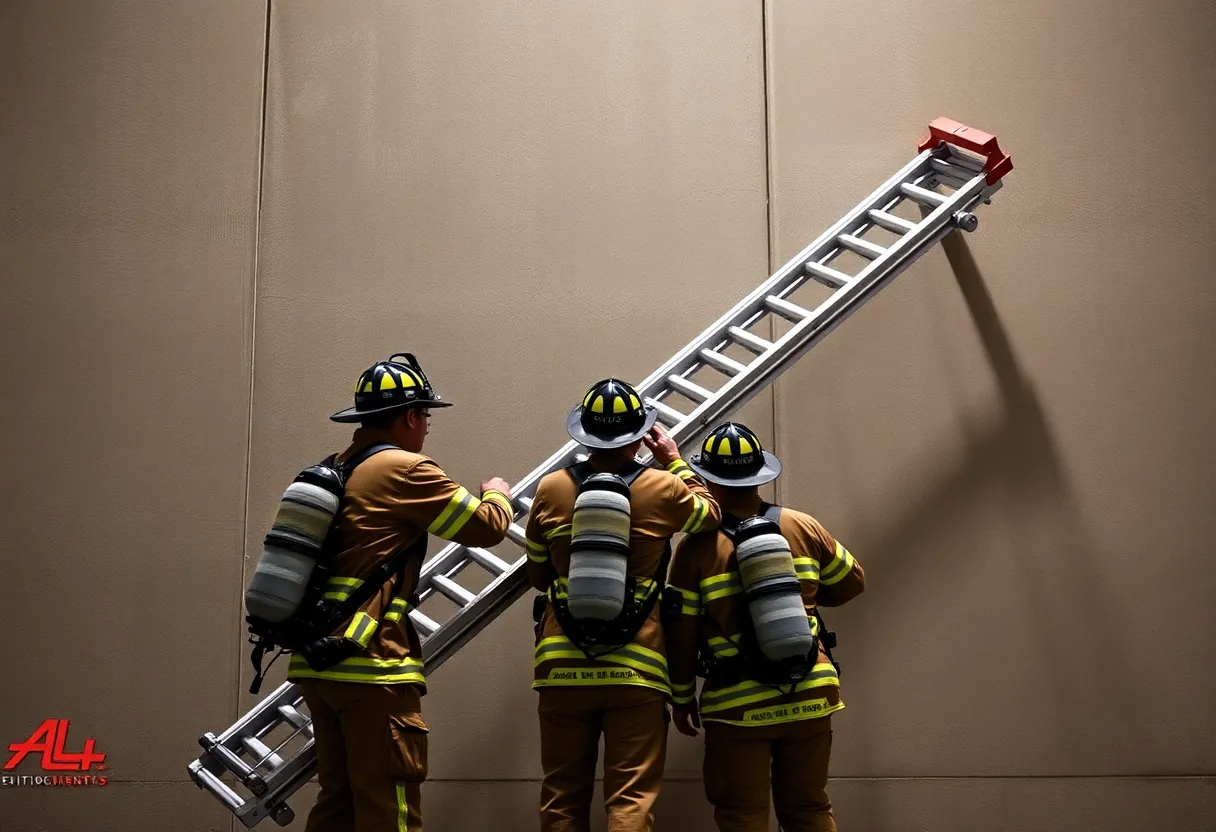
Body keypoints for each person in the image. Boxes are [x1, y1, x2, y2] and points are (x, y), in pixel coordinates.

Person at [289, 352, 514, 832]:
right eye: (426, 417)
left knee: (338, 802)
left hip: (316, 664)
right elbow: (485, 528)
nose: (427, 429)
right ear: (411, 417)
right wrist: (497, 492)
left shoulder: (335, 467)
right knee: (388, 807)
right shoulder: (406, 470)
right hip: (372, 667)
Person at [523, 378, 721, 832]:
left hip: (561, 666)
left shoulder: (550, 490)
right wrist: (674, 462)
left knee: (561, 797)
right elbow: (709, 514)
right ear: (638, 435)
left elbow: (538, 576)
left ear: (585, 434)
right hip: (638, 668)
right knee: (630, 799)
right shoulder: (662, 489)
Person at [665, 421, 865, 832]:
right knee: (809, 808)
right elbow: (852, 582)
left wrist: (682, 698)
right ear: (760, 475)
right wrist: (806, 598)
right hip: (811, 693)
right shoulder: (803, 525)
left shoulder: (694, 549)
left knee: (742, 816)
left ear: (707, 479)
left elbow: (680, 631)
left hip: (738, 706)